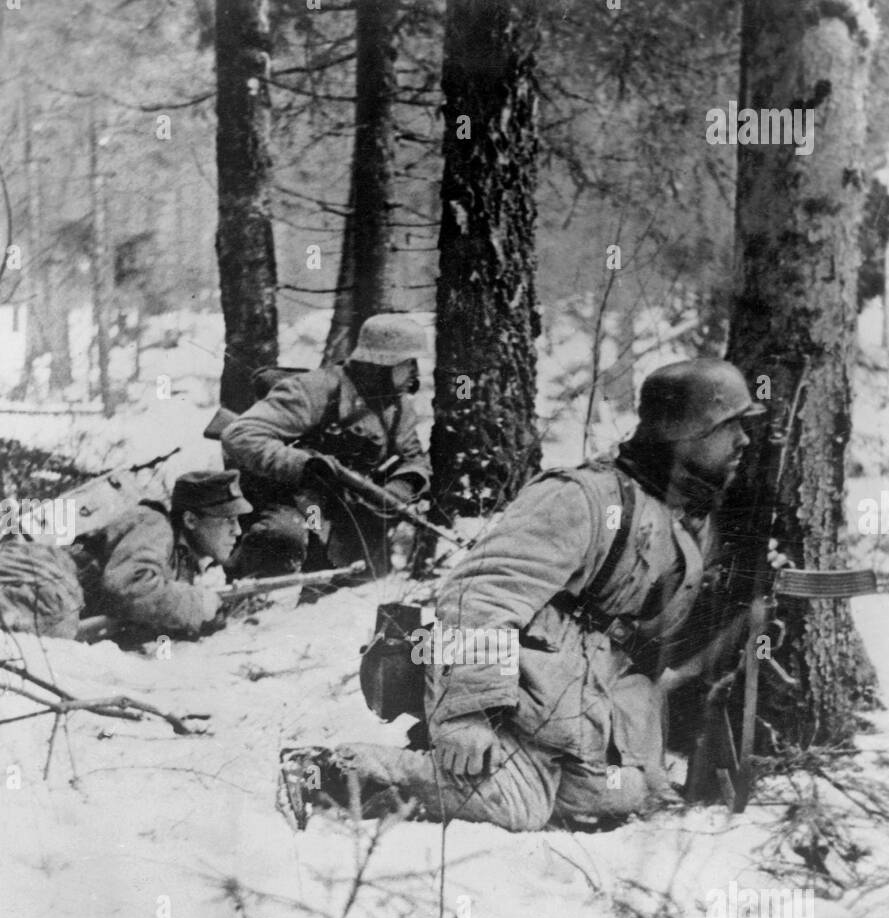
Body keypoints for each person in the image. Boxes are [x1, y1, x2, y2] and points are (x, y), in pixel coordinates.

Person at [278, 358, 767, 833]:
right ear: (688, 433)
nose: (744, 440)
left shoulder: (681, 514)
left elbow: (654, 633)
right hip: (524, 689)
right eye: (732, 427)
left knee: (617, 795)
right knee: (516, 803)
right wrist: (469, 714)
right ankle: (325, 770)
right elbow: (480, 596)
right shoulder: (582, 498)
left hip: (588, 705)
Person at [220, 314, 431, 578]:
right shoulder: (314, 391)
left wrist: (400, 487)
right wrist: (303, 465)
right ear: (382, 362)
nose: (415, 372)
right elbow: (239, 434)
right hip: (288, 502)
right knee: (283, 539)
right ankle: (246, 600)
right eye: (408, 362)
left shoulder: (397, 408)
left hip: (344, 512)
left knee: (364, 585)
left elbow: (415, 459)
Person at [74, 469, 252, 641]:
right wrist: (196, 604)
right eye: (227, 520)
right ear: (190, 520)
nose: (237, 530)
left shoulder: (183, 561)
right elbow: (130, 588)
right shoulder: (154, 524)